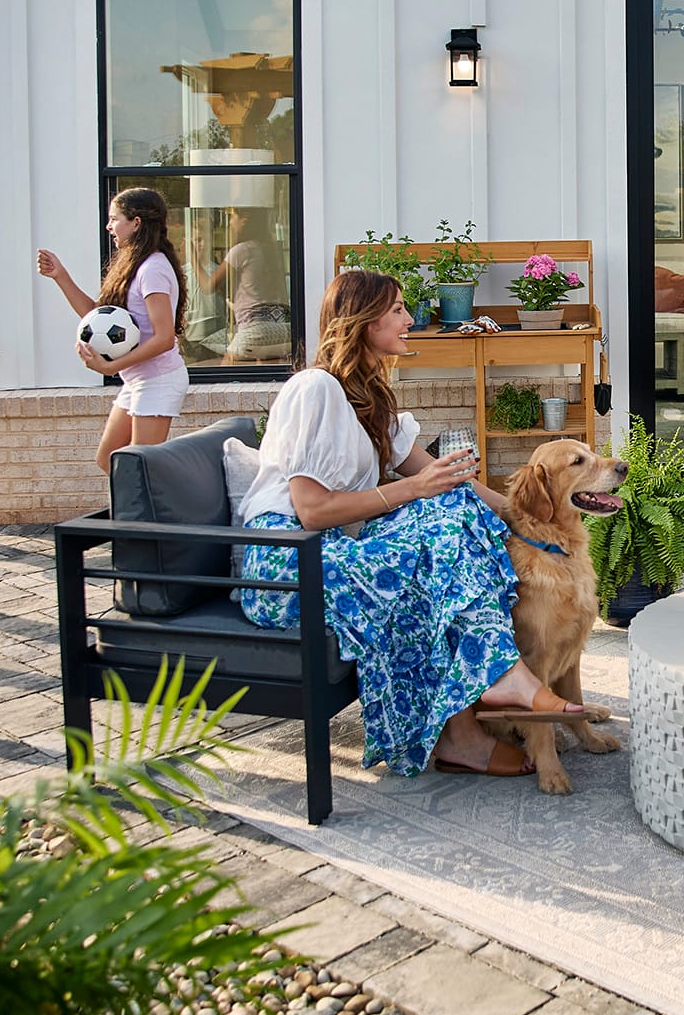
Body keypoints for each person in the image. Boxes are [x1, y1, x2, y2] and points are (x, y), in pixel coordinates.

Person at [237, 269, 588, 779]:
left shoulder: (373, 403)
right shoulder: (315, 390)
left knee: (456, 511)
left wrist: (529, 516)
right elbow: (311, 510)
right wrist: (411, 491)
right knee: (439, 532)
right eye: (398, 309)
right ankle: (484, 698)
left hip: (336, 549)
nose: (409, 318)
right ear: (362, 320)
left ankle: (478, 707)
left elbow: (453, 485)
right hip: (288, 559)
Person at [35, 187, 191, 472]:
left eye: (114, 218)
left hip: (159, 379)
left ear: (136, 222)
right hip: (137, 380)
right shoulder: (134, 265)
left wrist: (111, 367)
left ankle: (159, 514)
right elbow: (97, 316)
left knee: (139, 470)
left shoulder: (153, 269)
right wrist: (60, 275)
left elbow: (164, 338)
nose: (109, 226)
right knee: (109, 458)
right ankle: (133, 515)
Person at [192, 207, 291, 363]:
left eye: (232, 217)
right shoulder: (271, 250)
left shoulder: (241, 250)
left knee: (222, 373)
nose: (230, 222)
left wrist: (193, 258)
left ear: (244, 220)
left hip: (254, 331)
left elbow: (207, 287)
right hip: (282, 329)